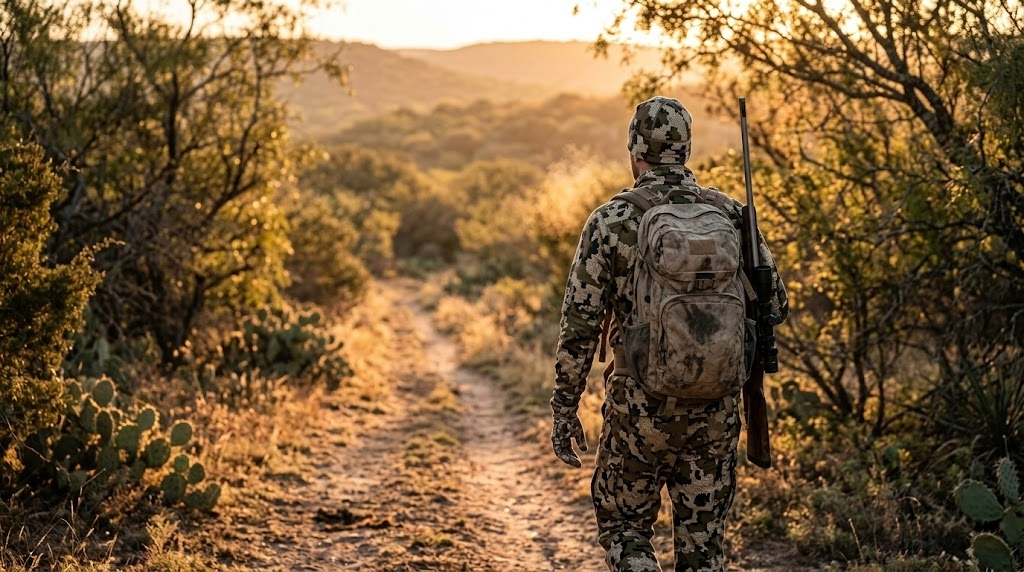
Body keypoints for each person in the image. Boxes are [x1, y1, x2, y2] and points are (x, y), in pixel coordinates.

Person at [550, 95, 789, 572]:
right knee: (704, 546)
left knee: (625, 529)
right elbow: (776, 305)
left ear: (635, 150)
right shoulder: (731, 215)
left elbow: (580, 325)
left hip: (639, 411)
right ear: (687, 150)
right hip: (716, 412)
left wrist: (564, 406)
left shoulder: (611, 220)